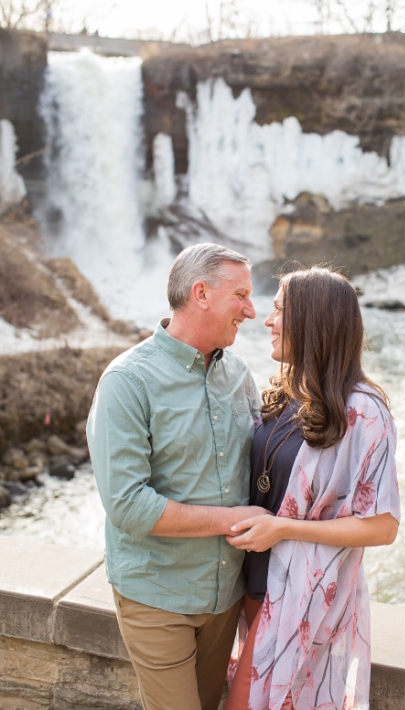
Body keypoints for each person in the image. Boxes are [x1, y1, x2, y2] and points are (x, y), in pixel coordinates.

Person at [87, 243, 271, 710]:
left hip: (225, 596)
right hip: (157, 595)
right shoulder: (127, 381)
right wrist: (233, 520)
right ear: (202, 293)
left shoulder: (240, 375)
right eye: (242, 296)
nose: (251, 311)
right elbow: (128, 505)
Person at [223, 266, 400, 710]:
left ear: (312, 320)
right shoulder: (287, 393)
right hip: (249, 587)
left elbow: (381, 527)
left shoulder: (363, 410)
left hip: (297, 596)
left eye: (279, 309)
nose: (267, 320)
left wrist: (284, 529)